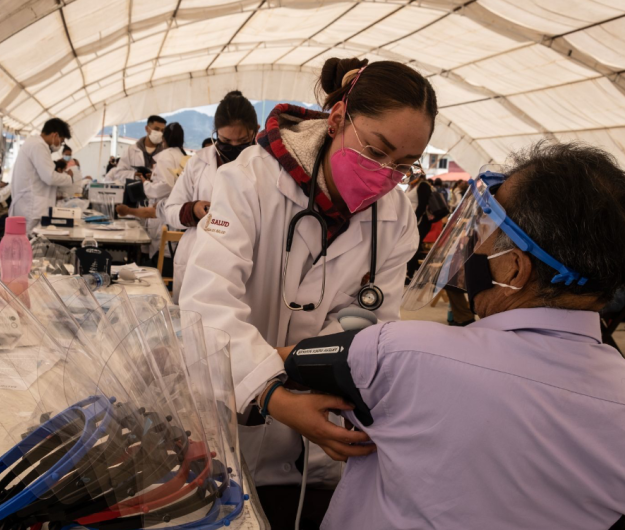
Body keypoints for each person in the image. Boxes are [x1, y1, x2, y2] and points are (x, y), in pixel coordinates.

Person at [279, 142, 625, 529]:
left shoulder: (402, 353)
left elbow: (281, 361)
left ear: (515, 269)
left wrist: (268, 397)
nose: (471, 243)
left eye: (483, 229)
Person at [180, 57, 436, 528]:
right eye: (377, 151)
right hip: (232, 423)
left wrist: (306, 361)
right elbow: (207, 303)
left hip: (319, 443)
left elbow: (371, 322)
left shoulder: (396, 217)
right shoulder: (249, 179)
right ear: (338, 118)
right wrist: (271, 391)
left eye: (403, 165)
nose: (385, 175)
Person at [162, 91, 259, 303]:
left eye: (241, 140)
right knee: (192, 323)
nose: (233, 147)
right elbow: (170, 210)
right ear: (215, 134)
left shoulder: (264, 166)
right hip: (197, 256)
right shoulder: (198, 163)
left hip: (244, 260)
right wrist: (194, 209)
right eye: (225, 140)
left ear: (255, 132)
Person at [116, 122, 188, 269]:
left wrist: (146, 184)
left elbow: (164, 186)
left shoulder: (165, 156)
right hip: (171, 218)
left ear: (164, 139)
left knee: (157, 259)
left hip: (163, 217)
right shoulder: (182, 156)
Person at [9, 118, 76, 232]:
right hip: (31, 207)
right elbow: (49, 177)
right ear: (55, 135)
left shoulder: (35, 143)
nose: (60, 145)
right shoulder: (38, 146)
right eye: (61, 140)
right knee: (29, 244)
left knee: (28, 243)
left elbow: (43, 174)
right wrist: (68, 177)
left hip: (31, 205)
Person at [105, 115, 167, 183]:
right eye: (156, 129)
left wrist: (155, 176)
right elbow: (118, 173)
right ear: (147, 129)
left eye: (162, 131)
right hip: (135, 191)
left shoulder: (166, 152)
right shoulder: (131, 150)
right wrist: (134, 175)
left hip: (157, 192)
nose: (160, 133)